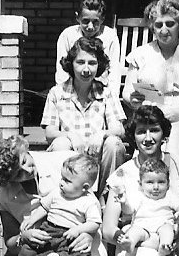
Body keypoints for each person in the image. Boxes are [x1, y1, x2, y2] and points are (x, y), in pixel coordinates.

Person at [103, 105, 179, 256]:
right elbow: (108, 229)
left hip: (178, 239)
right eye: (141, 132)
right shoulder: (122, 175)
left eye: (154, 130)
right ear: (133, 136)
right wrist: (132, 239)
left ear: (163, 133)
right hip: (139, 246)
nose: (148, 138)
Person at [0, 135, 98, 256]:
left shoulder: (66, 164)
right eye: (18, 174)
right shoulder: (0, 193)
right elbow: (11, 241)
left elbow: (93, 208)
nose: (28, 170)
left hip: (75, 239)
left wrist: (89, 234)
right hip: (39, 250)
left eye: (24, 161)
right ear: (7, 181)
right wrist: (23, 238)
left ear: (25, 149)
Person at [122, 0, 179, 158]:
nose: (164, 30)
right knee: (148, 138)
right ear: (152, 27)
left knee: (176, 139)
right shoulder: (140, 54)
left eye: (170, 24)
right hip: (149, 115)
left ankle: (176, 174)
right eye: (158, 25)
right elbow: (127, 92)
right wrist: (133, 99)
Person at [42, 37, 127, 199]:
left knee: (114, 143)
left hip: (98, 160)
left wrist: (102, 134)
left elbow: (120, 129)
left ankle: (106, 198)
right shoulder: (57, 93)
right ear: (71, 64)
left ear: (99, 66)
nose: (86, 69)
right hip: (71, 159)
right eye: (80, 62)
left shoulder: (106, 93)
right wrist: (70, 135)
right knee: (60, 143)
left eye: (92, 63)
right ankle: (64, 199)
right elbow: (50, 133)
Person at [17, 154, 102, 256]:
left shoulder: (89, 202)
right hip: (49, 230)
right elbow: (44, 207)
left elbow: (95, 223)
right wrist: (32, 219)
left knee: (79, 251)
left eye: (67, 181)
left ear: (84, 187)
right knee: (29, 248)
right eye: (62, 178)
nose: (61, 183)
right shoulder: (56, 193)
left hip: (70, 235)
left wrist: (79, 229)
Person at [111, 158, 179, 256]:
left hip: (162, 225)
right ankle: (130, 244)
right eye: (150, 182)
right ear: (140, 184)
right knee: (134, 231)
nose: (156, 187)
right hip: (143, 227)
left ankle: (164, 247)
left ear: (168, 184)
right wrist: (124, 203)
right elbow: (129, 210)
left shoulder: (169, 196)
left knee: (168, 230)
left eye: (161, 182)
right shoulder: (139, 196)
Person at [55, 0, 121, 97]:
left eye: (95, 22)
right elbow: (61, 71)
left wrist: (112, 96)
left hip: (101, 91)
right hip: (73, 91)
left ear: (102, 19)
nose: (90, 27)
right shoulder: (68, 35)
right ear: (77, 17)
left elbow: (114, 70)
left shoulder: (110, 36)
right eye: (85, 21)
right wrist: (64, 95)